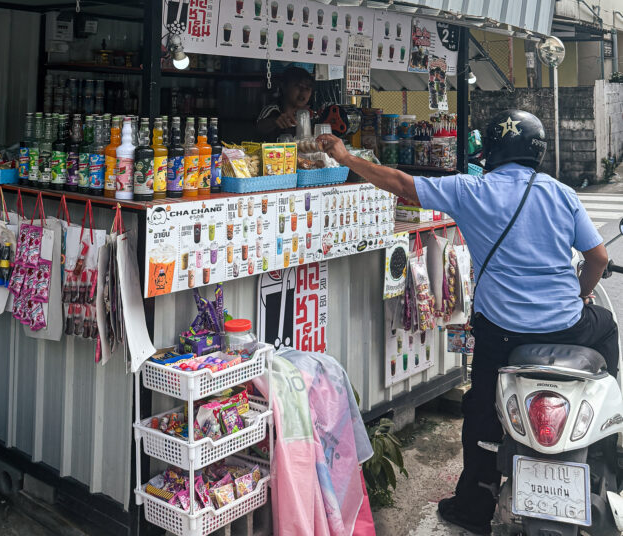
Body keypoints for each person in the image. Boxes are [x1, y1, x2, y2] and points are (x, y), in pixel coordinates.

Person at [319, 111, 616, 536]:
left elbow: (402, 184)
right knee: (606, 325)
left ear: (492, 150)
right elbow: (598, 259)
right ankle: (610, 424)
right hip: (566, 327)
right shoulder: (562, 194)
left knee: (481, 412)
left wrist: (346, 157)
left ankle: (474, 507)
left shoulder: (471, 188)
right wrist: (581, 293)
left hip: (502, 332)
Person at [256, 65, 314, 139]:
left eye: (308, 88)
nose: (303, 91)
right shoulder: (272, 110)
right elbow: (260, 128)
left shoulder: (310, 114)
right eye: (298, 86)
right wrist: (275, 122)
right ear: (284, 86)